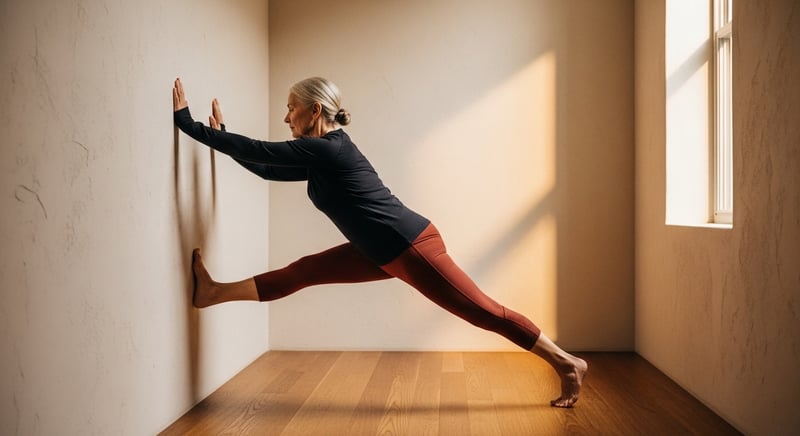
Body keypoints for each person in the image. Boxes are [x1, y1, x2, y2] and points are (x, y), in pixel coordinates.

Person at [171, 77, 587, 407]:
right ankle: (212, 292)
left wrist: (189, 125)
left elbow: (261, 150)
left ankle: (566, 362)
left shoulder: (328, 150)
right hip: (380, 251)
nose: (286, 117)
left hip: (411, 246)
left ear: (314, 110)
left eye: (291, 108)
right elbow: (266, 168)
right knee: (304, 271)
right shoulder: (318, 155)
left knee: (482, 311)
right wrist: (221, 137)